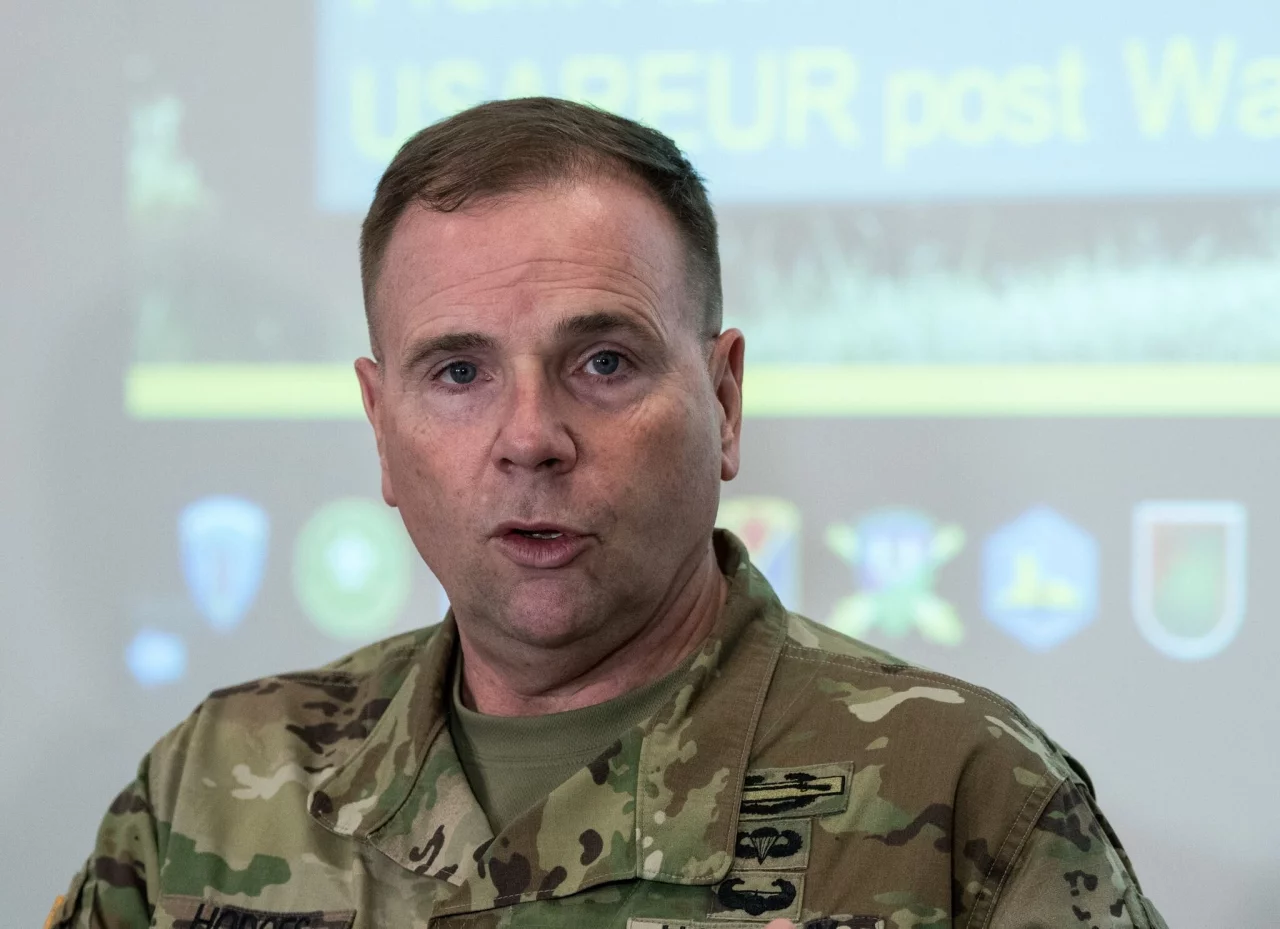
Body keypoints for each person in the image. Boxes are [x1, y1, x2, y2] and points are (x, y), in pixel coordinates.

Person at [50, 98, 1166, 929]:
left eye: (602, 361)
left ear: (723, 402)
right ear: (380, 425)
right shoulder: (210, 787)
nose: (530, 435)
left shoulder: (964, 791)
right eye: (458, 373)